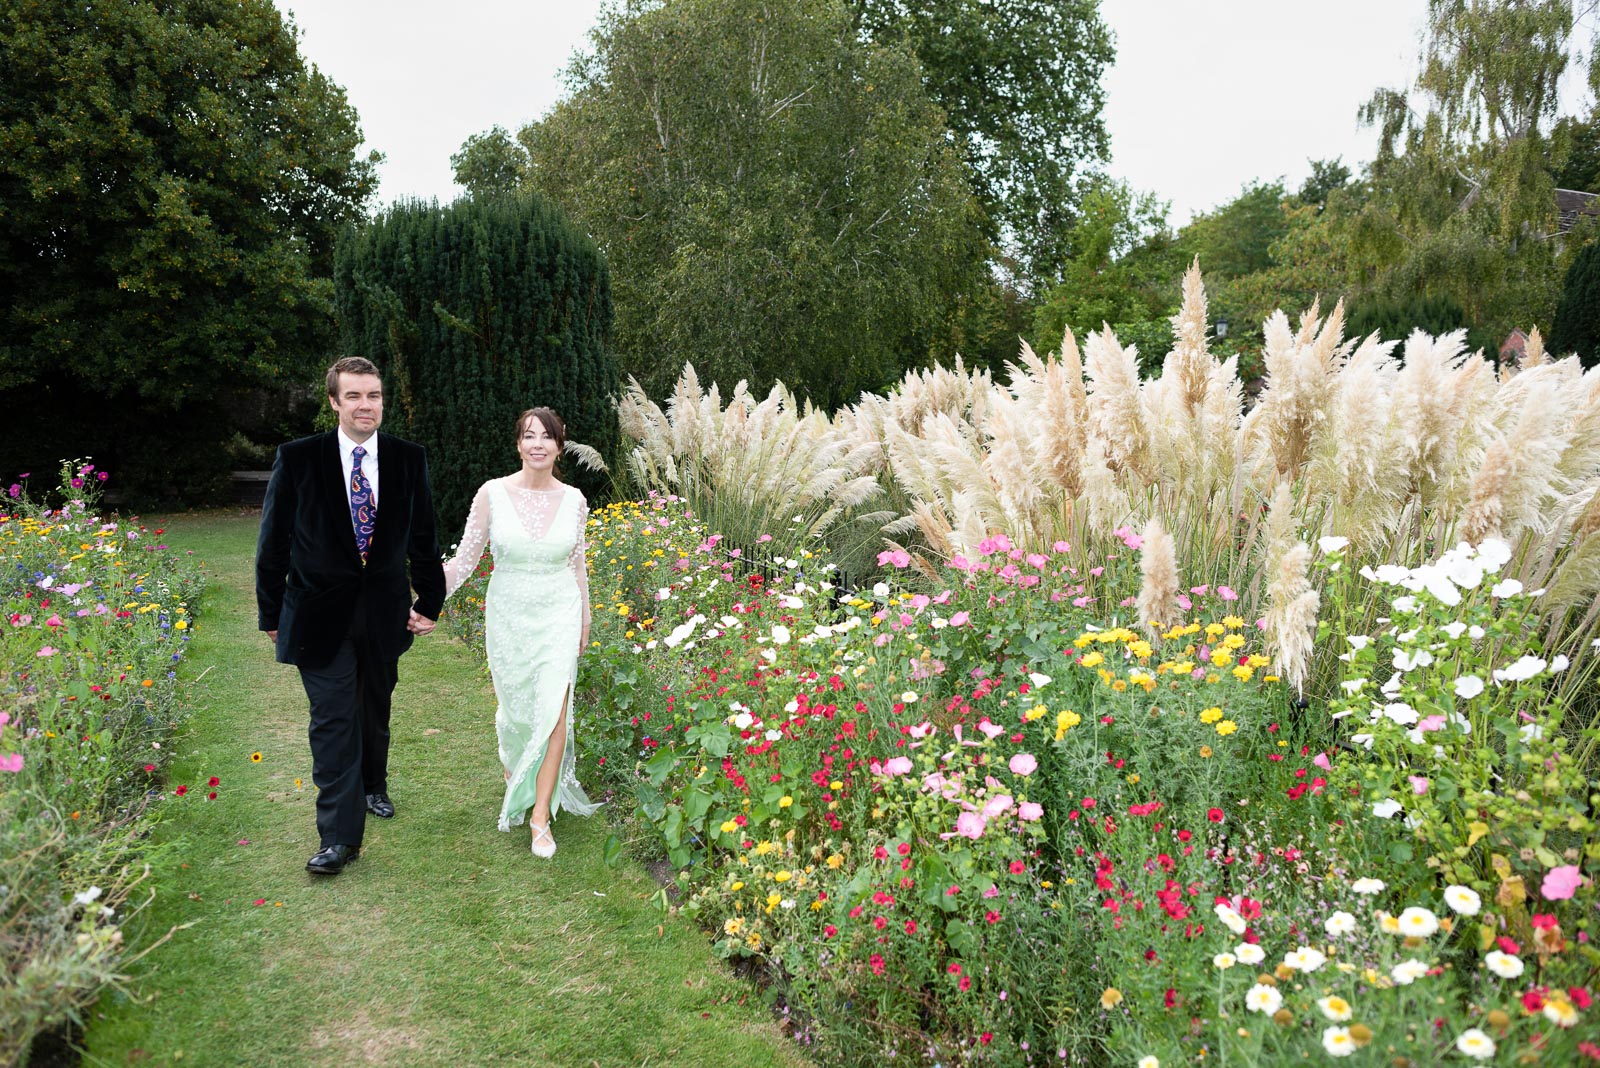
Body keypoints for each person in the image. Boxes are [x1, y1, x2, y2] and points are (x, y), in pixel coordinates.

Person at [256, 356, 446, 875]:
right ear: (335, 402)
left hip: (384, 612)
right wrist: (271, 611)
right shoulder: (298, 459)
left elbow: (423, 536)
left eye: (375, 396)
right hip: (318, 615)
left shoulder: (408, 459)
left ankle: (373, 783)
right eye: (356, 396)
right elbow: (273, 544)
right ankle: (338, 839)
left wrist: (430, 600)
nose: (367, 406)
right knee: (333, 719)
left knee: (372, 707)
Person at [443, 406, 600, 857]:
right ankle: (519, 776)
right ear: (518, 444)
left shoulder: (574, 500)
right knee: (516, 712)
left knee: (554, 711)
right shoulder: (492, 493)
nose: (537, 444)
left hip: (559, 614)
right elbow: (466, 559)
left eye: (546, 437)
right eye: (529, 436)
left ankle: (540, 817)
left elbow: (578, 565)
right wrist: (428, 600)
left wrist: (585, 619)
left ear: (559, 445)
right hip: (509, 614)